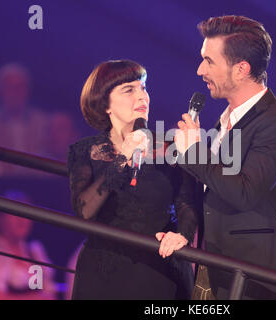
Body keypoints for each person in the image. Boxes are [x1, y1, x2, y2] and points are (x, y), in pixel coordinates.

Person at [174, 15, 276, 299]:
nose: (199, 70)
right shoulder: (226, 118)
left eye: (209, 61)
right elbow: (210, 184)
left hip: (254, 280)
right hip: (212, 269)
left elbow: (244, 192)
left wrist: (195, 151)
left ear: (241, 69)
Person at [67, 60, 197, 299]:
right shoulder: (85, 150)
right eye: (129, 90)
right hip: (103, 273)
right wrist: (122, 158)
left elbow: (187, 202)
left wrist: (183, 235)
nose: (142, 97)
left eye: (144, 88)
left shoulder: (170, 147)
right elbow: (84, 210)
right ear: (105, 104)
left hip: (158, 270)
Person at [0, 190, 56, 300]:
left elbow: (49, 294)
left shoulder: (34, 252)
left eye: (26, 214)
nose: (22, 220)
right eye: (15, 214)